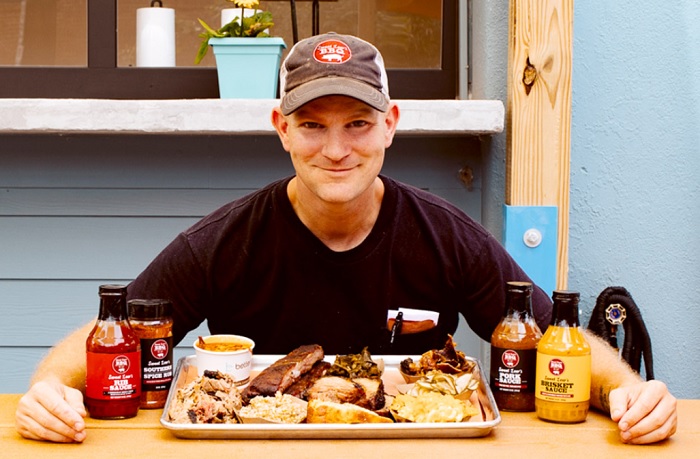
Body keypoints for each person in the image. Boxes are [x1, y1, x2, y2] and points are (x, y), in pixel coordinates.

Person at [15, 33, 676, 445]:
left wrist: (626, 390)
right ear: (280, 127)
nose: (336, 150)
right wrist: (49, 388)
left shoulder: (444, 235)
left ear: (391, 125)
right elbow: (113, 331)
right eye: (312, 125)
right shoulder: (221, 243)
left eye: (358, 124)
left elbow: (551, 333)